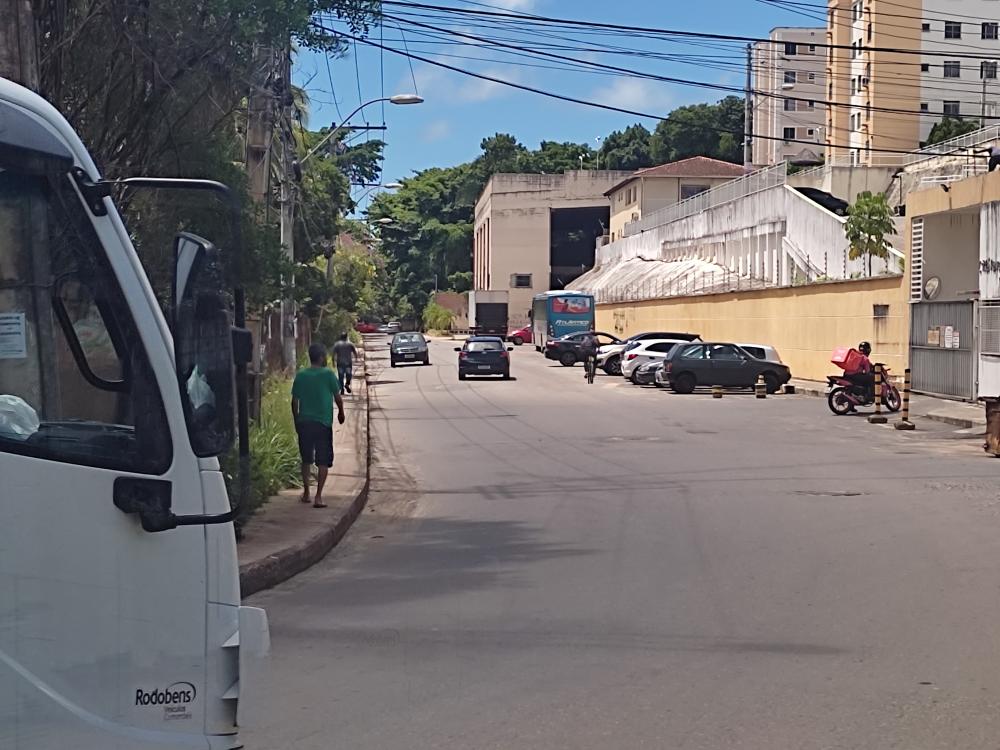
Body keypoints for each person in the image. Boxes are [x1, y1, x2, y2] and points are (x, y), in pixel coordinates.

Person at [291, 343, 345, 508]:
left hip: (304, 422)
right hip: (323, 423)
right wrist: (341, 413)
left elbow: (294, 402)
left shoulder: (301, 375)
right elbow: (337, 397)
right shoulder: (328, 374)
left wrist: (297, 421)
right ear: (322, 357)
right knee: (323, 461)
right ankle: (319, 497)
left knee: (306, 459)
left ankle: (306, 493)